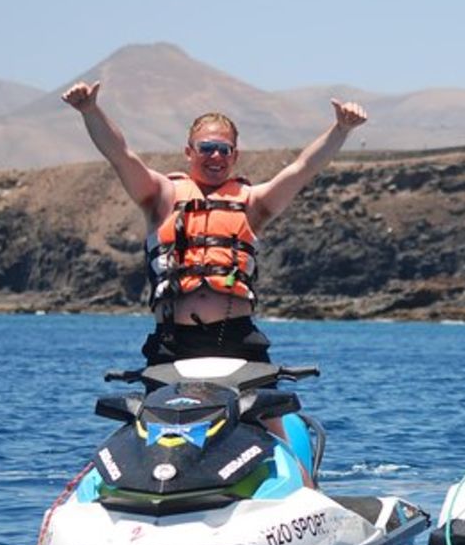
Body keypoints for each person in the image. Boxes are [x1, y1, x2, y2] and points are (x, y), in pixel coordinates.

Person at [62, 80, 367, 484]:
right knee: (144, 432)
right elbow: (120, 154)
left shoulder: (252, 204)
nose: (216, 156)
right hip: (173, 343)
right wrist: (90, 111)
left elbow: (302, 169)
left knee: (275, 428)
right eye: (207, 147)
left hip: (238, 340)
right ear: (189, 152)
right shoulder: (160, 196)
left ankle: (306, 496)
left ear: (235, 155)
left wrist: (341, 130)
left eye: (224, 149)